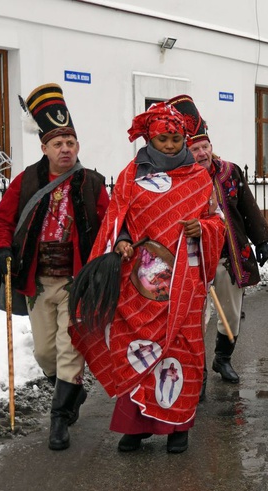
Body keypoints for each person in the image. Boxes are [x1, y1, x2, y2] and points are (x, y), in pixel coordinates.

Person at [70, 102, 225, 453]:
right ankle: (135, 425)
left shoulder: (200, 178)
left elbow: (217, 222)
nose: (170, 146)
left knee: (180, 351)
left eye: (175, 139)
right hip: (137, 285)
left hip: (185, 283)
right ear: (148, 138)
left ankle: (177, 427)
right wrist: (122, 241)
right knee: (135, 348)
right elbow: (117, 220)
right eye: (163, 140)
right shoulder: (131, 175)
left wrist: (201, 228)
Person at [0, 83, 109, 451]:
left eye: (71, 142)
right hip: (37, 282)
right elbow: (0, 223)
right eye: (58, 143)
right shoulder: (25, 181)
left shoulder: (92, 183)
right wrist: (2, 251)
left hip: (76, 283)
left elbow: (110, 225)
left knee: (70, 346)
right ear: (44, 148)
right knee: (45, 353)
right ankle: (71, 391)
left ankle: (59, 420)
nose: (66, 149)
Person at [169, 95, 268, 388]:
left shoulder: (230, 172)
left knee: (231, 314)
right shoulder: (178, 180)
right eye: (195, 148)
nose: (201, 153)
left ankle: (222, 359)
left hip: (230, 256)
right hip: (193, 260)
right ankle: (196, 373)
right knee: (195, 320)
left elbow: (247, 208)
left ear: (211, 146)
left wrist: (261, 239)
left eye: (205, 146)